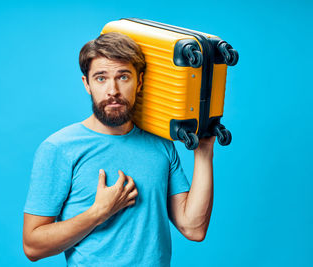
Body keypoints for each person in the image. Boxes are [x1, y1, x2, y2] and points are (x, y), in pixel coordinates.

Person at [22, 32, 215, 266]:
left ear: (139, 81)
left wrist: (203, 151)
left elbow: (193, 228)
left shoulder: (162, 144)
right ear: (87, 84)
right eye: (101, 78)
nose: (112, 90)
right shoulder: (59, 148)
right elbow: (32, 246)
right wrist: (98, 212)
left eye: (123, 77)